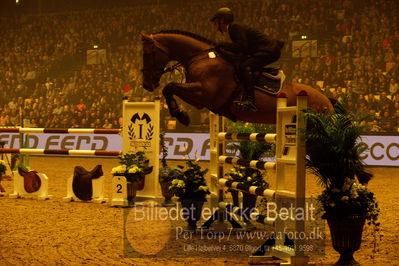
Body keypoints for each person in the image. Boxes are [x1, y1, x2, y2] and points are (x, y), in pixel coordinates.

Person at [210, 7, 284, 111]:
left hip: (269, 50)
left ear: (221, 21)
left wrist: (223, 45)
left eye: (215, 22)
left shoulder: (234, 28)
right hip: (266, 49)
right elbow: (242, 50)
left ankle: (250, 100)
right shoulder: (232, 29)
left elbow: (242, 47)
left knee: (246, 66)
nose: (214, 26)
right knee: (241, 64)